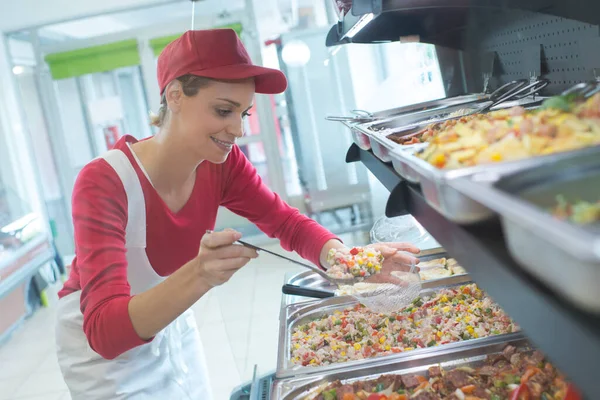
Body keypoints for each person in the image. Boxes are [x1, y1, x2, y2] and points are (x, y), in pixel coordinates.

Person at [55, 29, 421, 400]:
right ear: (175, 95)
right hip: (103, 361)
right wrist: (200, 273)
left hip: (169, 323)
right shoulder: (104, 182)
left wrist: (349, 260)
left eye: (243, 113)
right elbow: (104, 332)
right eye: (223, 110)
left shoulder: (222, 164)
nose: (239, 129)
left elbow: (285, 222)